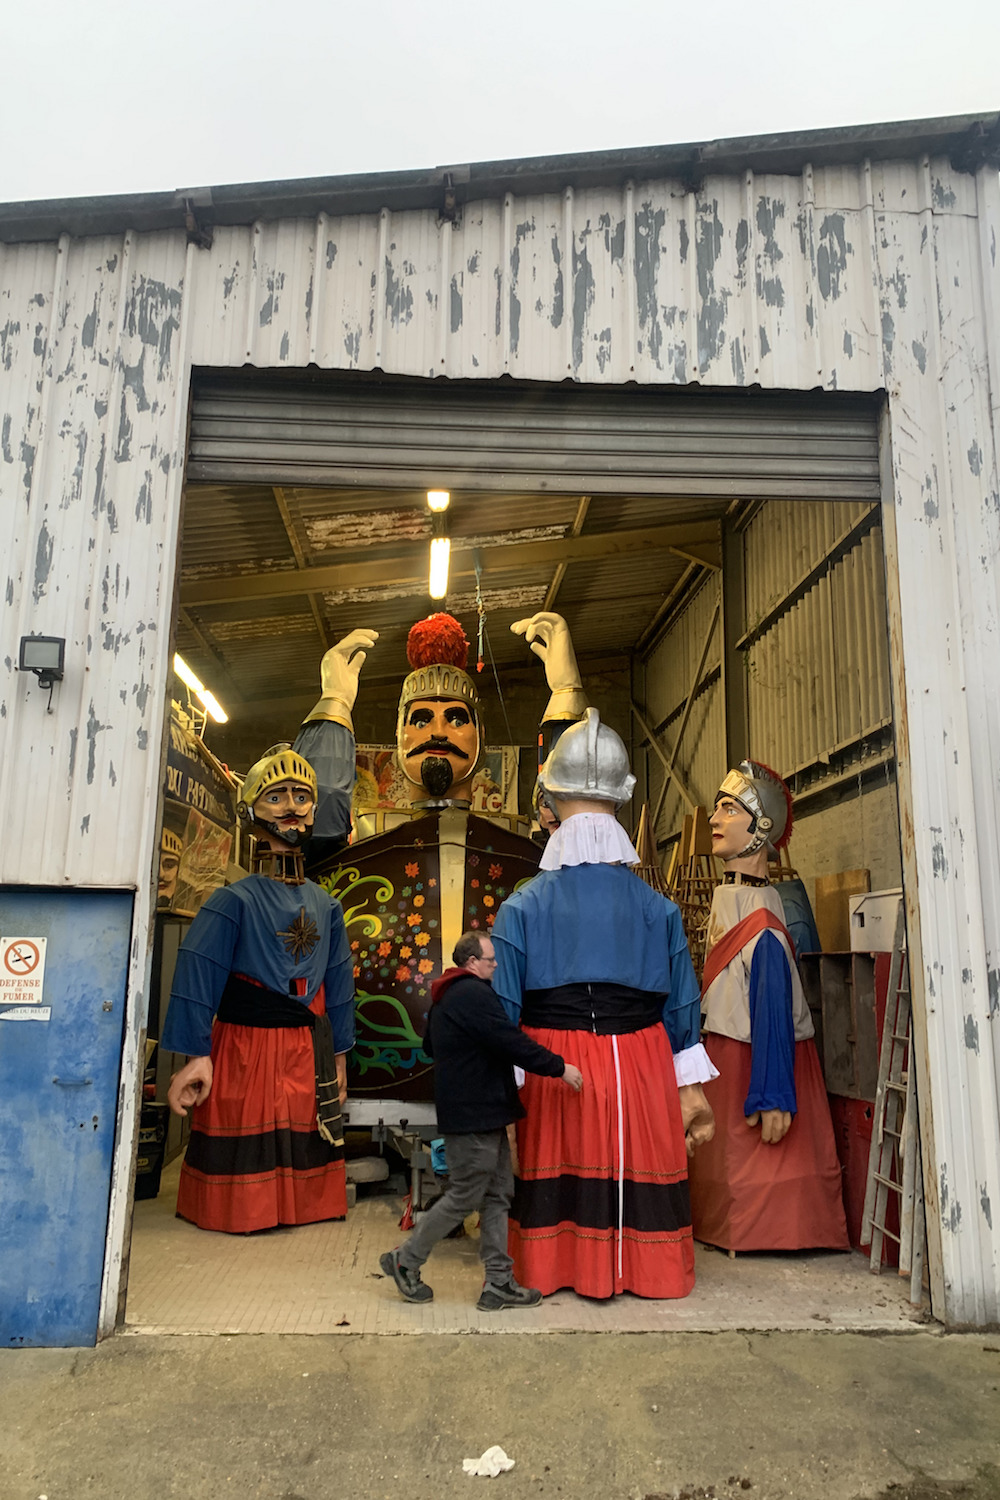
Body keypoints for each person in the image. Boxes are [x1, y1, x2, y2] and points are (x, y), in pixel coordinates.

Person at [491, 695, 717, 1298]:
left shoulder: (519, 909)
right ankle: (646, 1271)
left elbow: (504, 1018)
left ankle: (553, 1267)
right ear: (622, 801)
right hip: (640, 1065)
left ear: (551, 801)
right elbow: (682, 1012)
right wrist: (689, 1091)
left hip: (553, 1069)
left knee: (555, 1180)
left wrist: (501, 1111)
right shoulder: (661, 910)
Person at [162, 745, 355, 1233]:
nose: (292, 805)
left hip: (304, 1049)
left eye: (301, 796)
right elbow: (197, 972)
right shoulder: (231, 900)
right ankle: (246, 1209)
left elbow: (338, 985)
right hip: (244, 1048)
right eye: (277, 795)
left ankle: (301, 1204)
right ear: (252, 811)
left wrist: (338, 1055)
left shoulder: (327, 907)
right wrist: (195, 1055)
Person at [686, 760, 849, 1253]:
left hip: (754, 1064)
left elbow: (773, 1008)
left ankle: (774, 1227)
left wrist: (774, 1092)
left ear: (761, 827)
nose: (715, 817)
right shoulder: (735, 902)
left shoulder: (762, 920)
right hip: (725, 1056)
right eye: (716, 806)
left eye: (729, 809)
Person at [380, 930, 583, 1310]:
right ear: (472, 962)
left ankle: (498, 1283)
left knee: (496, 1194)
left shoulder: (446, 997)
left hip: (481, 1113)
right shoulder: (472, 994)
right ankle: (405, 1260)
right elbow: (509, 1040)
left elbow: (430, 1046)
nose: (495, 965)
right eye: (490, 960)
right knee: (465, 1196)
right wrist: (559, 1068)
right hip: (475, 1116)